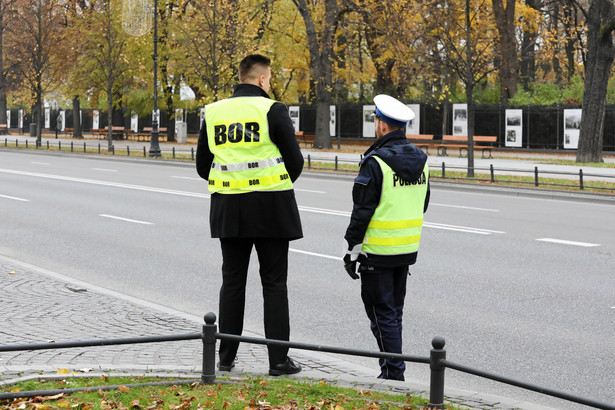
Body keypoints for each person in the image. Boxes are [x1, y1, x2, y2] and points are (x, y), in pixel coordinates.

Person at [196, 54, 304, 376]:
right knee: (274, 285)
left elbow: (204, 166)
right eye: (268, 78)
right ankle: (279, 361)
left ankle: (226, 357)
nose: (269, 83)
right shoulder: (273, 109)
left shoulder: (213, 112)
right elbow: (294, 162)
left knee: (232, 283)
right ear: (261, 79)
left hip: (230, 209)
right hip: (271, 209)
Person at [343, 94, 430, 381]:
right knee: (394, 314)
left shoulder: (376, 162)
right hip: (405, 250)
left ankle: (394, 375)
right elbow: (423, 203)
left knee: (381, 316)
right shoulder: (422, 160)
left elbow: (362, 212)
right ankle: (391, 370)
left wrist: (351, 250)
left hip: (377, 252)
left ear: (382, 125)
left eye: (376, 120)